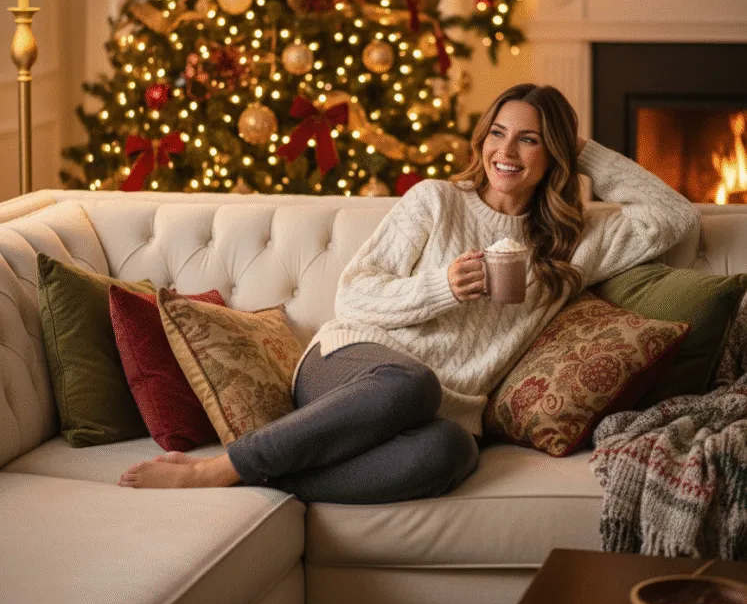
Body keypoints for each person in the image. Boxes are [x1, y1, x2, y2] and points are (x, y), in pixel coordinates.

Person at [119, 83, 699, 500]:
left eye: (529, 140)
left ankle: (275, 479)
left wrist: (581, 144)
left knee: (451, 452)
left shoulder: (571, 245)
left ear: (554, 155)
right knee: (411, 381)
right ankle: (221, 469)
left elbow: (673, 215)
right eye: (498, 134)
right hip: (351, 367)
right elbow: (354, 296)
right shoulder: (436, 200)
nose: (505, 152)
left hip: (442, 406)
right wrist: (441, 287)